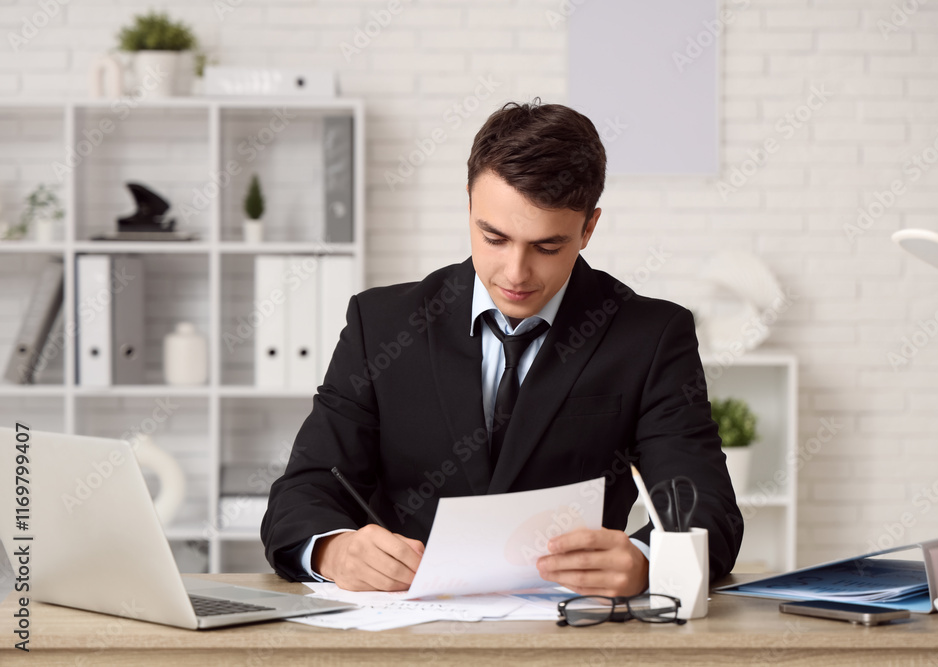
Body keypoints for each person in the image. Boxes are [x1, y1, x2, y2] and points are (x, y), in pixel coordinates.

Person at [262, 100, 742, 597]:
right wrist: (333, 550)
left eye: (547, 247)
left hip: (575, 634)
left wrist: (647, 561)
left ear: (589, 228)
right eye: (493, 237)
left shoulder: (652, 335)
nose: (515, 273)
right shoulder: (381, 325)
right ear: (469, 205)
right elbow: (304, 491)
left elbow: (709, 510)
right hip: (408, 633)